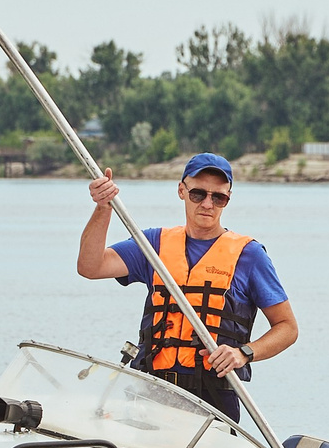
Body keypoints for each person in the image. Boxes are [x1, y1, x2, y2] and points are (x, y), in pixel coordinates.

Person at [76, 153, 296, 424]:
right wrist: (103, 208)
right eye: (198, 194)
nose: (207, 204)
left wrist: (243, 353)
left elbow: (287, 327)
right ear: (181, 191)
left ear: (228, 199)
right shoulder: (153, 244)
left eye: (219, 197)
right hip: (151, 392)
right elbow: (90, 266)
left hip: (213, 400)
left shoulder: (249, 256)